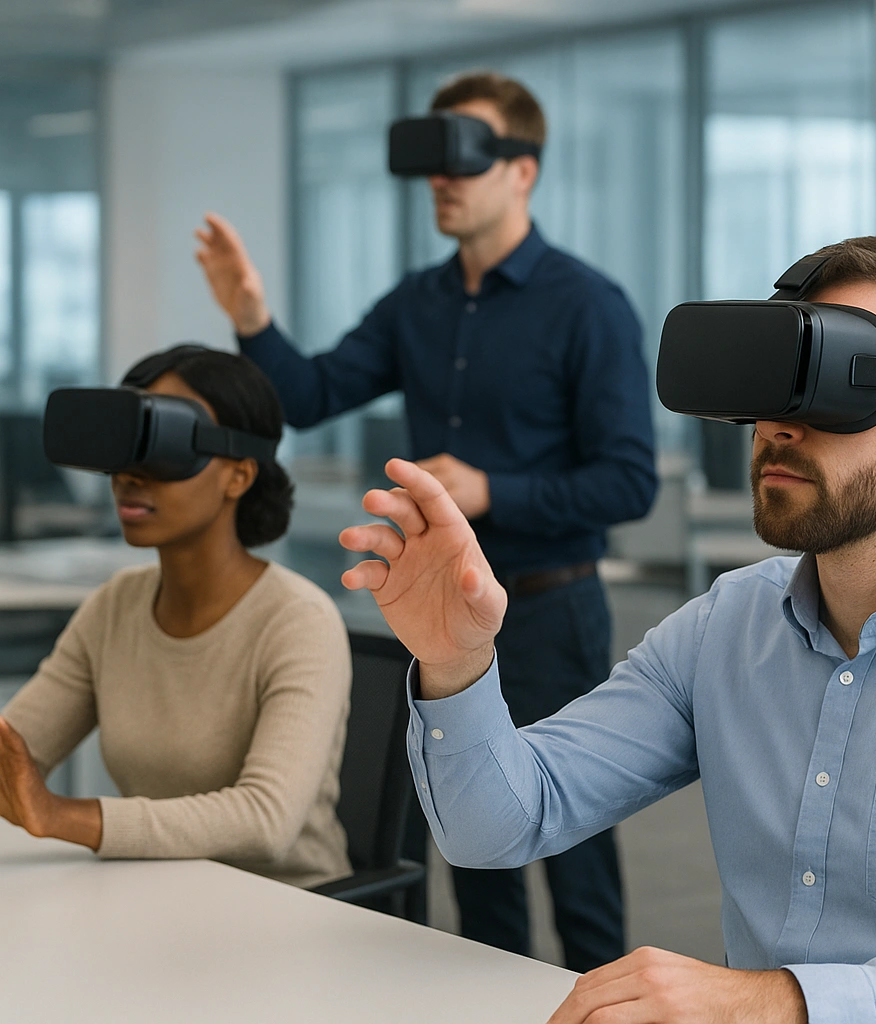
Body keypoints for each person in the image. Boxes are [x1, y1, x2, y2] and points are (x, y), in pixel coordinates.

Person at [338, 236, 876, 1023]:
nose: (777, 425)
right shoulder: (724, 628)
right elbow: (503, 825)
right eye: (770, 387)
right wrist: (456, 662)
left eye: (836, 383)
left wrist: (778, 1004)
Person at [193, 71, 656, 967]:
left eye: (465, 157)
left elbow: (628, 483)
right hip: (443, 623)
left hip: (550, 612)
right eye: (433, 161)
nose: (443, 179)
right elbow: (312, 392)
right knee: (474, 840)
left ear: (522, 169)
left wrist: (491, 490)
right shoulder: (419, 302)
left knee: (574, 848)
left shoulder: (588, 306)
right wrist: (251, 316)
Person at [0, 345, 351, 889]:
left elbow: (266, 821)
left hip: (290, 914)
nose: (129, 476)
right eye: (126, 442)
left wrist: (62, 816)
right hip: (152, 895)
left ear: (238, 475)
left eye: (160, 442)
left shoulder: (298, 620)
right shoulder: (116, 606)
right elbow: (16, 751)